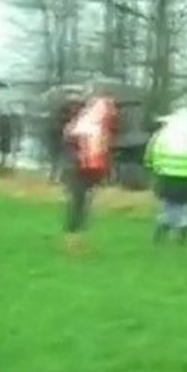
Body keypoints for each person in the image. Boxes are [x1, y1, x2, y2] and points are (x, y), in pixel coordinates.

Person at [143, 108, 187, 244]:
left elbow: (153, 150)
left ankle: (165, 221)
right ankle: (184, 222)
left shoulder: (164, 133)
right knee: (184, 200)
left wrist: (153, 168)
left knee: (167, 199)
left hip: (165, 173)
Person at [61, 92, 118, 254]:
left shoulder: (98, 128)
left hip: (90, 171)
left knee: (83, 205)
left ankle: (77, 240)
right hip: (78, 170)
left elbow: (103, 152)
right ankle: (72, 241)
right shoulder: (83, 128)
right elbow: (72, 149)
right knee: (77, 204)